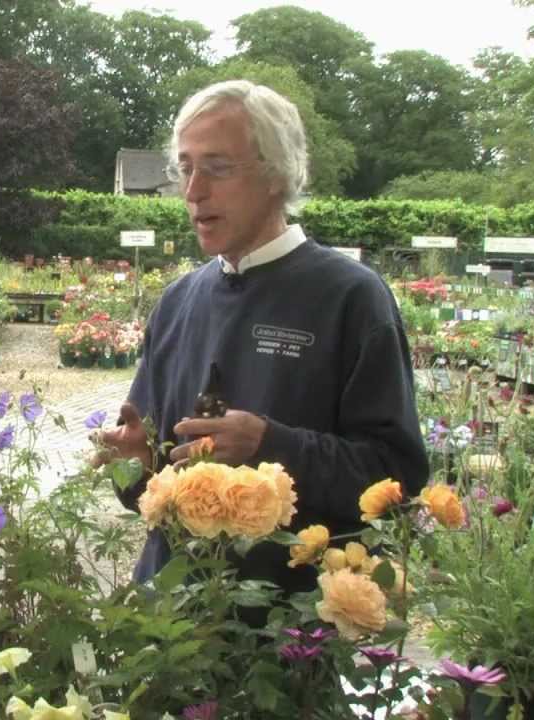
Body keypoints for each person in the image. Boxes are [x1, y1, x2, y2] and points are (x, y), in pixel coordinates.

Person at [94, 80, 429, 598]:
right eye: (185, 168)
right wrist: (138, 464)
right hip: (169, 627)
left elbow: (398, 480)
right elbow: (157, 479)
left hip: (288, 636)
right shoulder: (178, 300)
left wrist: (271, 446)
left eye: (217, 167)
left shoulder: (351, 298)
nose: (193, 191)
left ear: (277, 173)